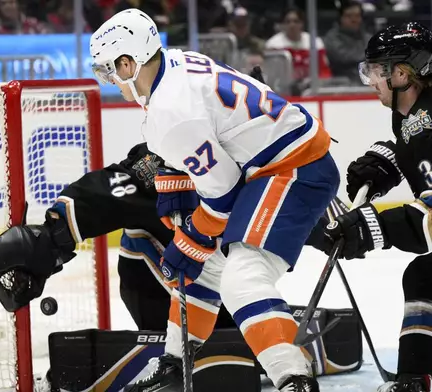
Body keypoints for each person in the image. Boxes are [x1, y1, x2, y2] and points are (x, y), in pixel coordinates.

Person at [89, 8, 339, 392]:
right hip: (266, 165)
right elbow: (213, 154)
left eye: (109, 69)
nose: (108, 79)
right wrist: (178, 194)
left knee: (241, 277)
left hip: (294, 168)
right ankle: (175, 362)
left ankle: (293, 378)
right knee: (205, 270)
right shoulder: (173, 63)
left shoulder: (170, 113)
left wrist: (191, 239)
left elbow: (222, 195)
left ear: (128, 63)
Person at [322, 22, 432, 392]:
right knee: (424, 275)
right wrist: (389, 161)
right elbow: (416, 149)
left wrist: (375, 228)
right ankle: (416, 378)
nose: (370, 79)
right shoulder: (412, 111)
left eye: (377, 69)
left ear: (401, 72)